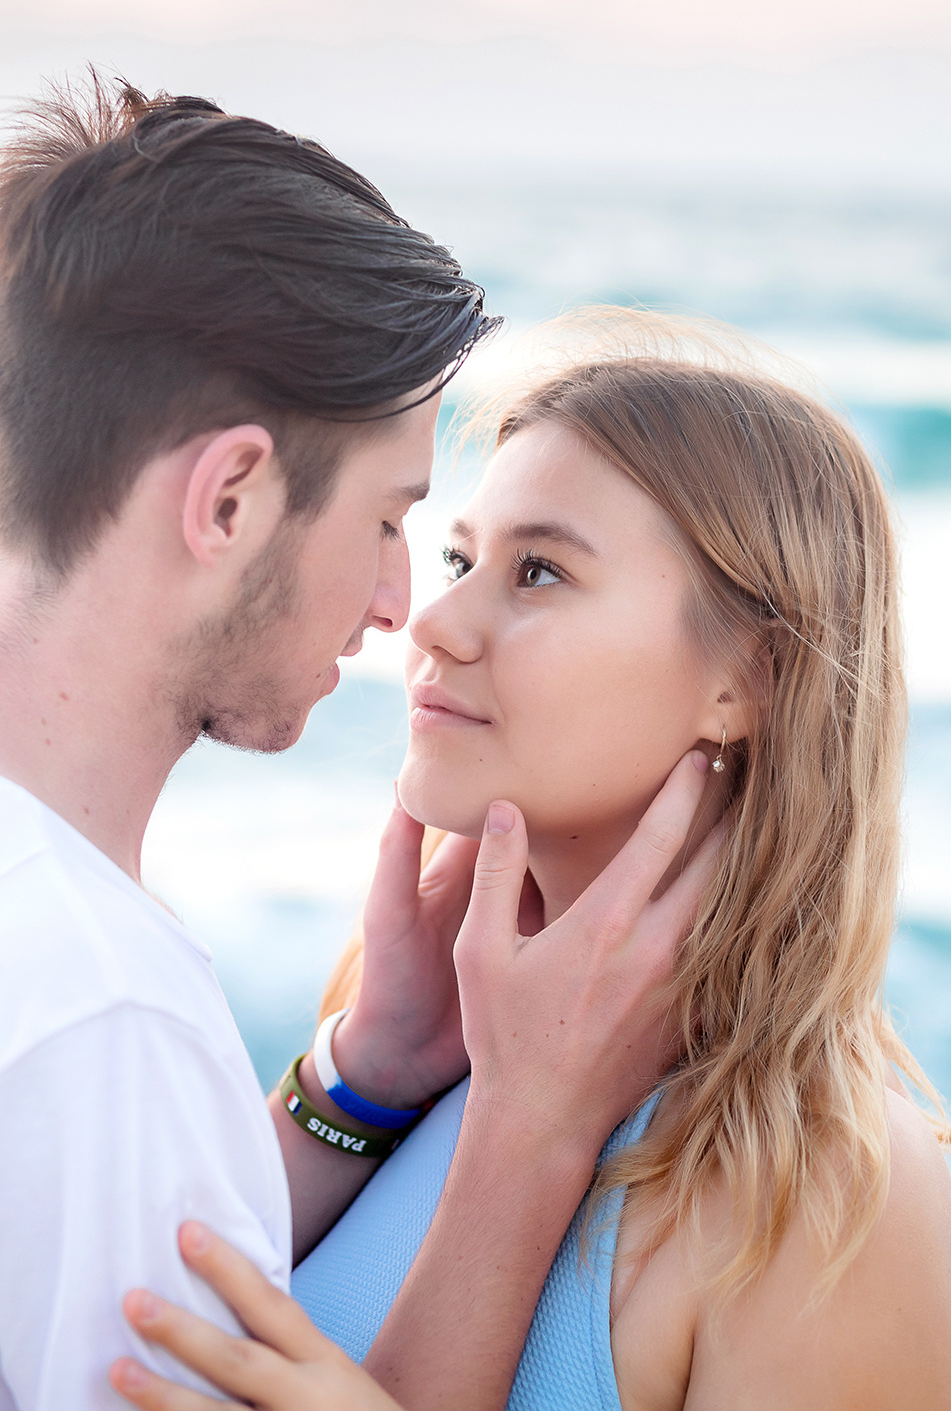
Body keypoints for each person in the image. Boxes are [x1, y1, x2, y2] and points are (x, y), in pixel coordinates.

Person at [0, 85, 715, 1411]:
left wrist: (362, 1081)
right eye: (391, 521)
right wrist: (532, 1135)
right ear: (228, 499)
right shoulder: (98, 1011)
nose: (404, 608)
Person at [119, 323, 951, 1410]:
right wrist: (364, 1078)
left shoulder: (820, 1188)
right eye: (459, 560)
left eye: (539, 571)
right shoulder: (434, 1062)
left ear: (748, 680)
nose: (434, 622)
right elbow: (114, 1334)